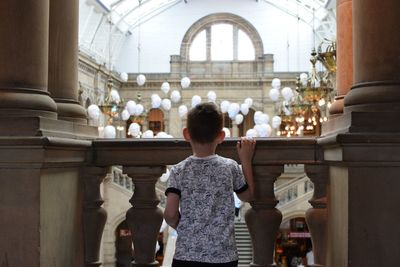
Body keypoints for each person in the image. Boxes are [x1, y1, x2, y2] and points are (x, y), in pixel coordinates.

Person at [163, 103, 256, 267]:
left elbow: (170, 214)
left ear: (186, 134)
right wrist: (246, 160)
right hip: (223, 255)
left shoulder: (178, 170)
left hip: (187, 254)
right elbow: (249, 196)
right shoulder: (230, 167)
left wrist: (185, 229)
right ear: (221, 136)